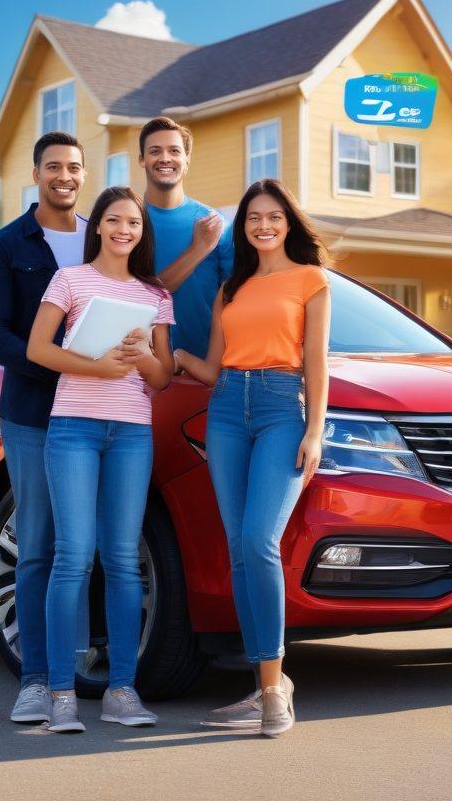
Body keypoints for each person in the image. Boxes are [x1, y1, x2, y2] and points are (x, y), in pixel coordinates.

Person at [175, 179, 330, 737]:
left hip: (281, 408)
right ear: (244, 228)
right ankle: (265, 685)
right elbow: (215, 369)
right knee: (239, 546)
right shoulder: (231, 288)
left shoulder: (311, 280)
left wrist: (314, 432)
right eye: (253, 218)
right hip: (225, 413)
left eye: (274, 216)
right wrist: (175, 354)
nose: (264, 225)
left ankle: (273, 689)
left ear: (289, 221)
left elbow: (317, 364)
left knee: (261, 541)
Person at [26, 186, 175, 733]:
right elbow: (37, 349)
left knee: (120, 559)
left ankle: (122, 692)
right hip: (73, 430)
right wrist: (98, 367)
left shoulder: (155, 294)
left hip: (132, 433)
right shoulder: (70, 280)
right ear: (99, 227)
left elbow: (162, 376)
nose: (123, 230)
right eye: (114, 220)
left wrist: (141, 360)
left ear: (142, 232)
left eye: (133, 223)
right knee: (72, 557)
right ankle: (61, 695)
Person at [0, 131, 88, 724]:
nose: (64, 176)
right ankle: (36, 680)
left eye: (73, 167)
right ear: (36, 173)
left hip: (102, 411)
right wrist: (57, 362)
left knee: (92, 547)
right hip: (33, 414)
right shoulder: (4, 245)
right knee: (38, 546)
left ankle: (90, 671)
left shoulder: (105, 237)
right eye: (53, 167)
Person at [139, 116, 234, 360]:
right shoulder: (125, 222)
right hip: (137, 373)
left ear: (187, 160)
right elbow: (136, 299)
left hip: (203, 372)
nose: (165, 158)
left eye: (174, 151)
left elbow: (237, 302)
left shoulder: (216, 224)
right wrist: (198, 249)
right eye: (154, 151)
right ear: (142, 160)